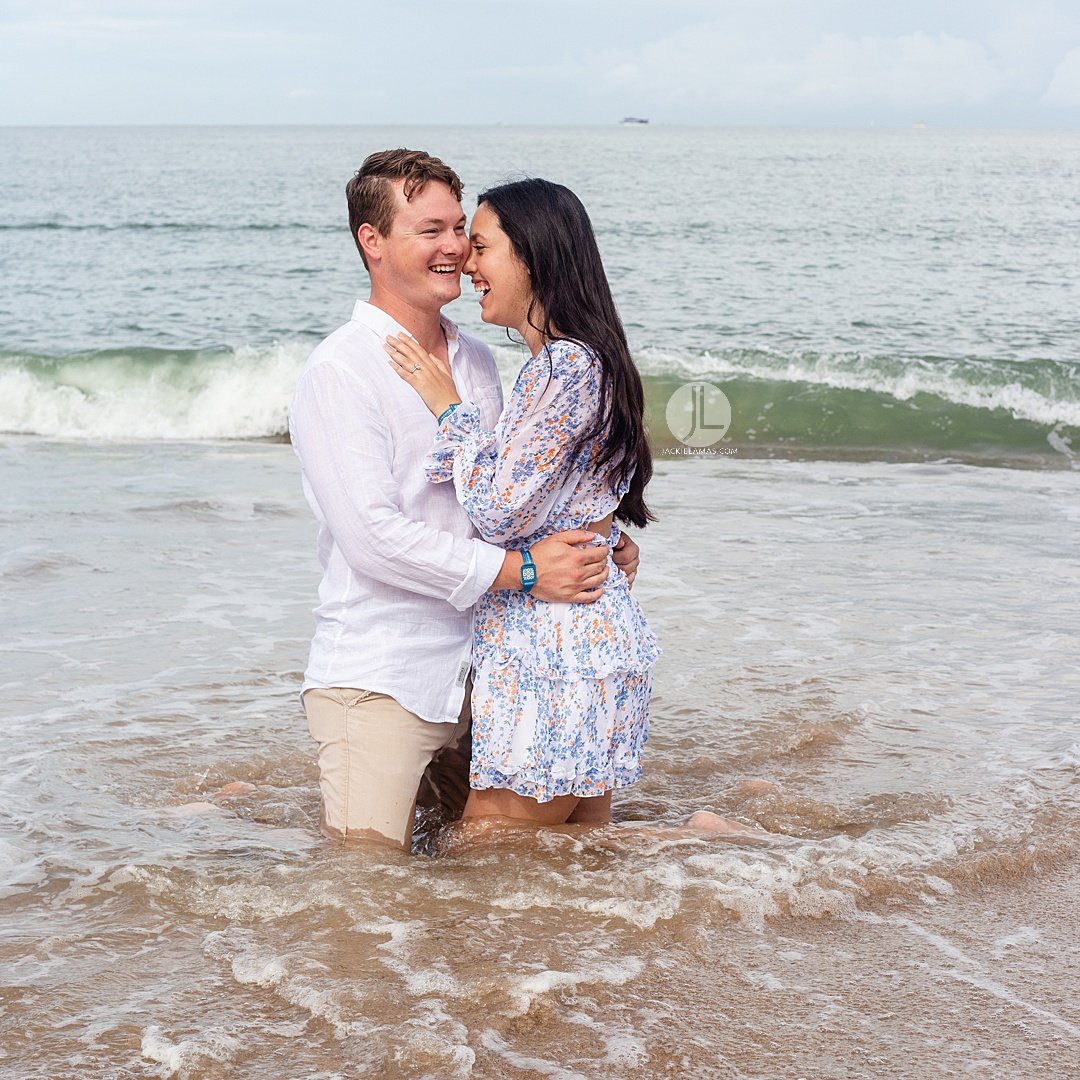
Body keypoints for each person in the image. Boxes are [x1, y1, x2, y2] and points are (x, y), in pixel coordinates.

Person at [288, 150, 642, 851]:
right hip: (386, 673)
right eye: (432, 230)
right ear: (373, 241)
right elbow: (373, 538)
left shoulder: (480, 360)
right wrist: (530, 571)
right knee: (367, 887)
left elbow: (519, 493)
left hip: (488, 668)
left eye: (464, 231)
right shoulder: (339, 370)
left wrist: (597, 537)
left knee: (501, 871)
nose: (454, 248)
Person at [385, 178, 659, 830]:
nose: (468, 265)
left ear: (532, 256)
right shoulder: (585, 361)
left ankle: (709, 846)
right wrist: (607, 539)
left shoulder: (564, 366)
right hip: (586, 637)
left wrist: (448, 405)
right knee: (577, 861)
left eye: (482, 248)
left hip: (555, 647)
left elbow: (500, 511)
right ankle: (705, 851)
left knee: (489, 856)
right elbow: (577, 496)